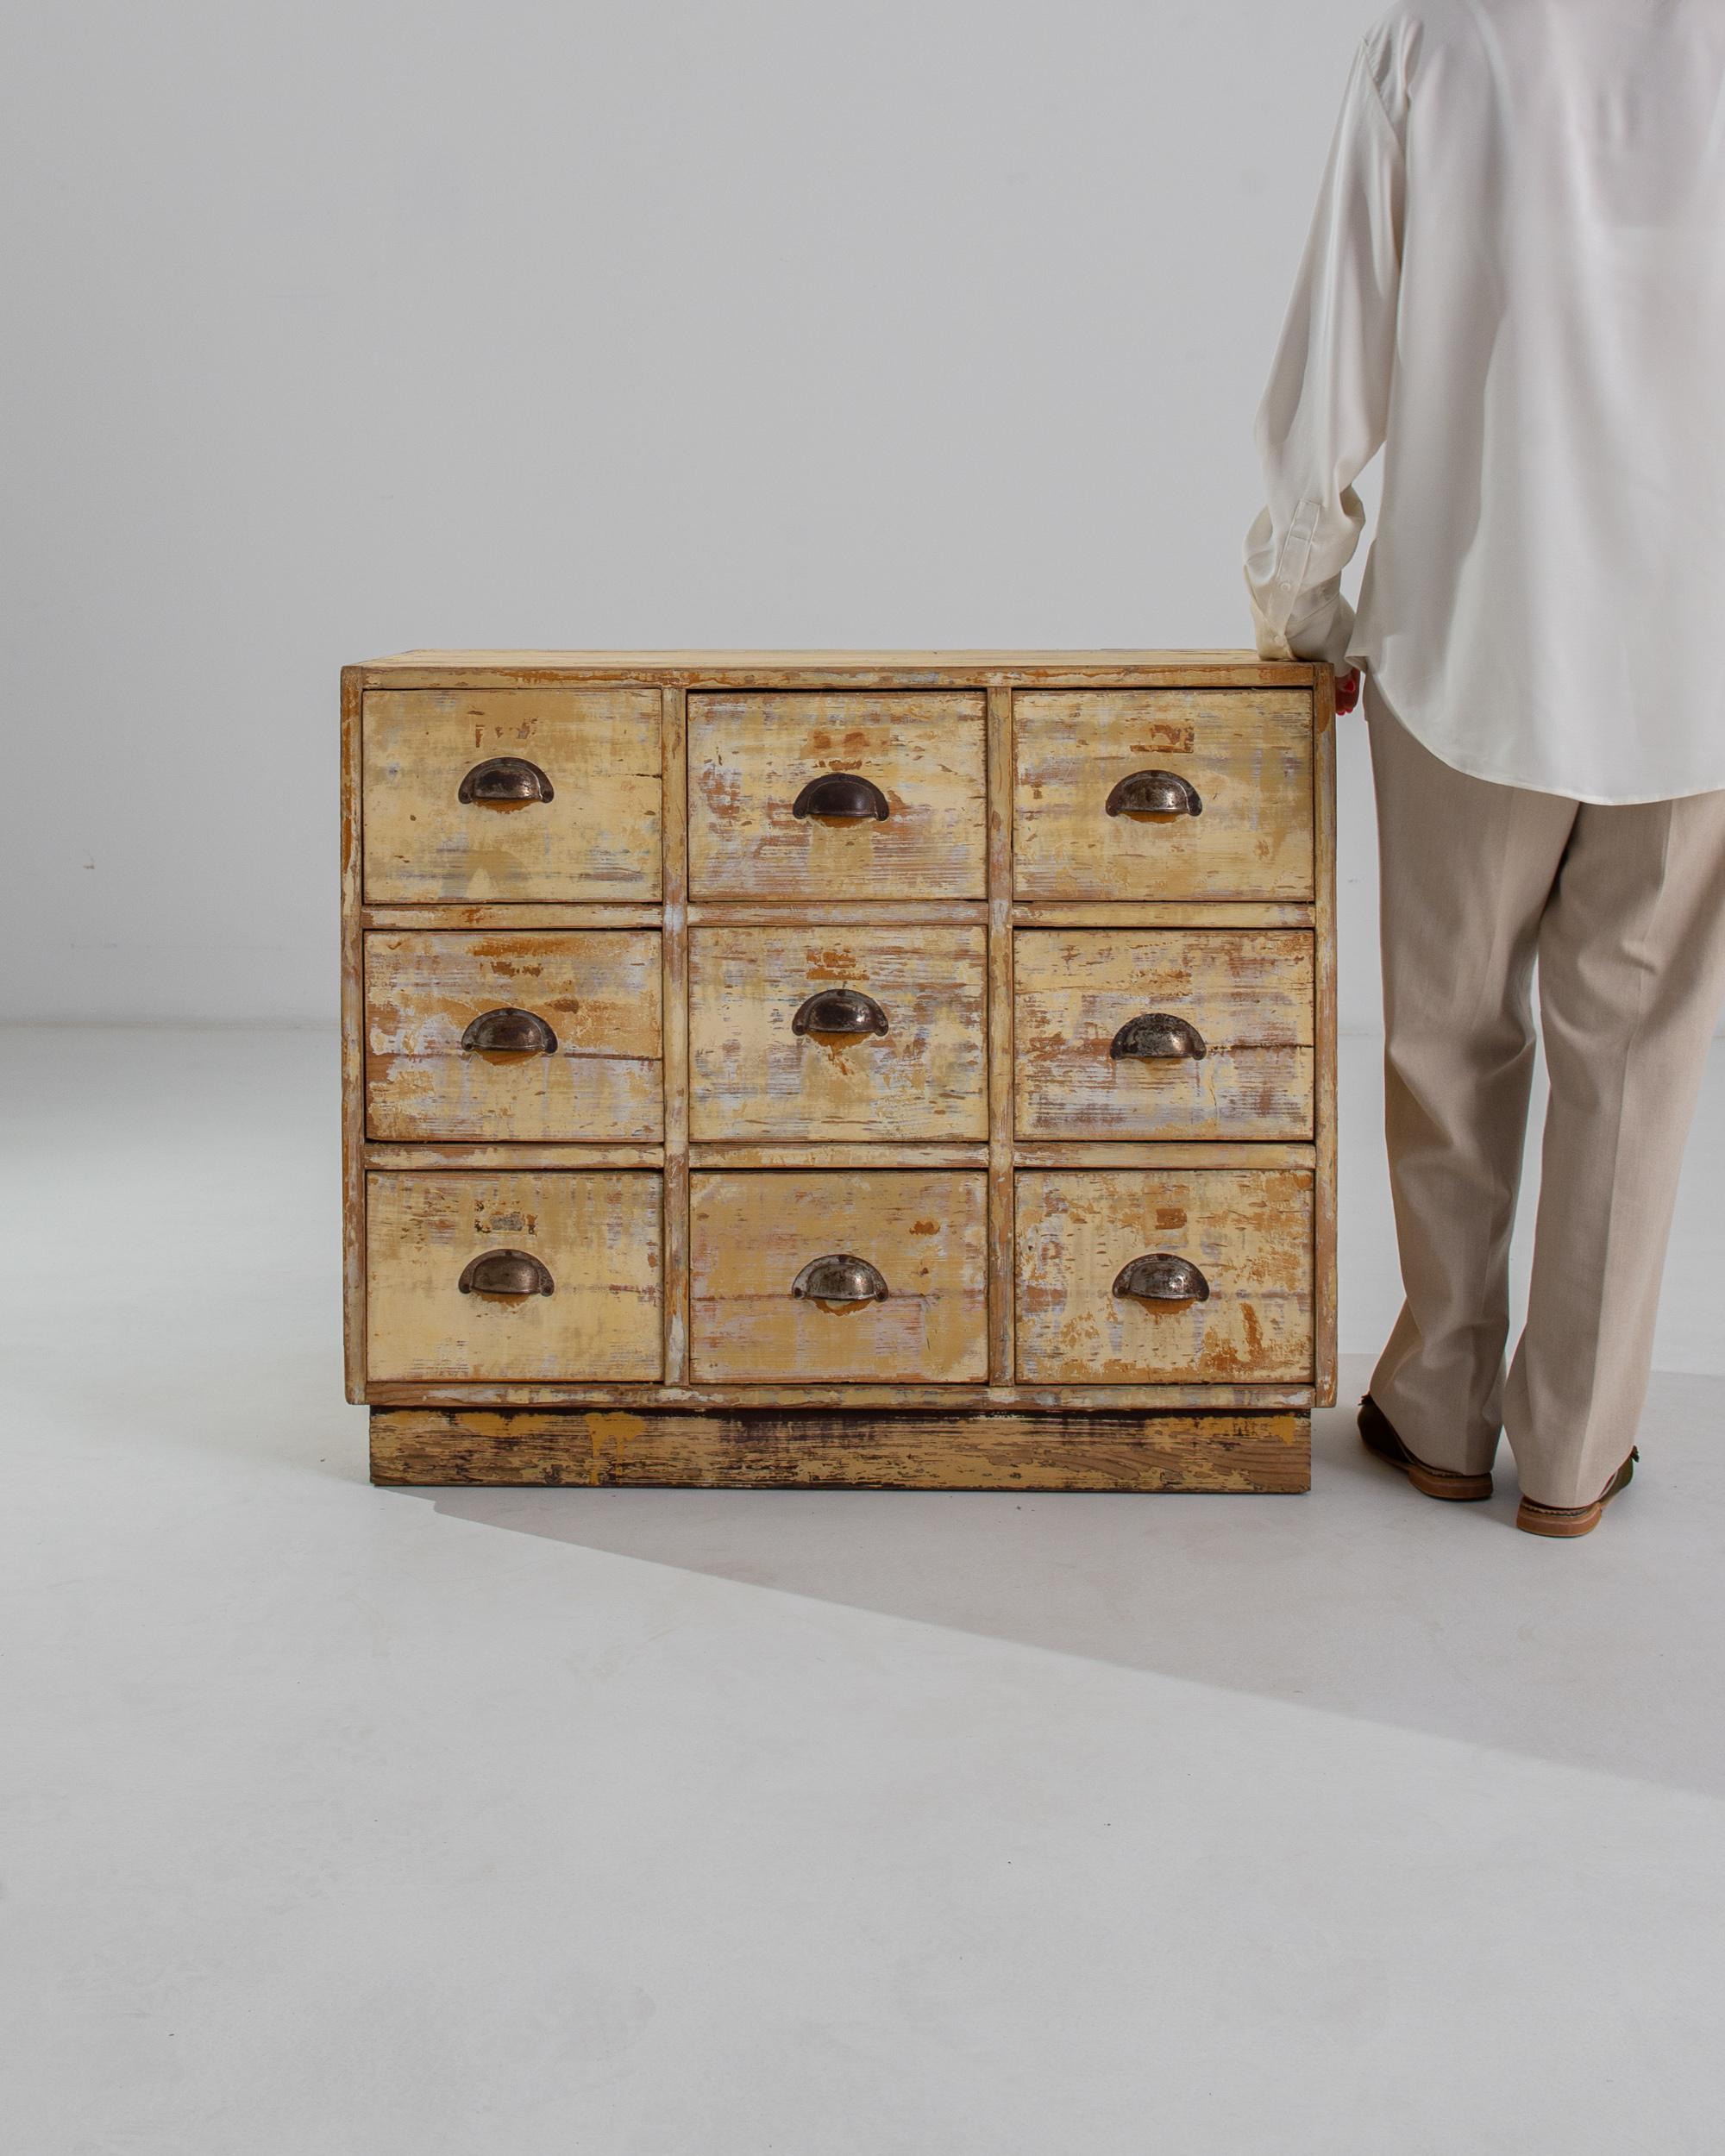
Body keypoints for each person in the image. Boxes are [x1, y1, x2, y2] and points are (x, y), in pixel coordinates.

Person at [1243, 0, 1725, 1538]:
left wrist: (1302, 607)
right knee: (1632, 1056)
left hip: (1476, 637)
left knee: (1447, 1032)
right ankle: (1578, 1452)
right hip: (1697, 657)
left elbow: (1340, 354)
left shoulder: (1436, 41)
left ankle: (1443, 1406)